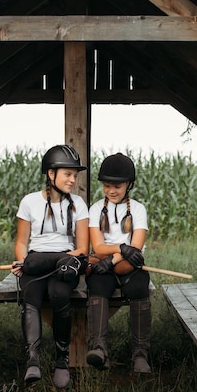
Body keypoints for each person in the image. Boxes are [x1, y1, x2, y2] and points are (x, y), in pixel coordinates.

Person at [10, 144, 89, 389]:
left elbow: (83, 248)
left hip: (65, 261)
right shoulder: (29, 202)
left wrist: (64, 258)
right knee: (31, 293)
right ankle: (32, 359)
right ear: (51, 174)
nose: (73, 180)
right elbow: (22, 242)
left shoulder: (78, 204)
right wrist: (22, 262)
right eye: (68, 174)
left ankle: (61, 360)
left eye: (75, 175)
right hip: (35, 261)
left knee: (59, 293)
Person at [86, 152, 152, 374]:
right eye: (106, 185)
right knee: (97, 285)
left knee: (138, 286)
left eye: (117, 186)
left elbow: (136, 248)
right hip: (105, 264)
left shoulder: (139, 209)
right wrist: (121, 248)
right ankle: (99, 347)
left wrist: (114, 256)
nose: (111, 191)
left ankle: (140, 353)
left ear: (129, 184)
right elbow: (97, 246)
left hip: (126, 265)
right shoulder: (96, 209)